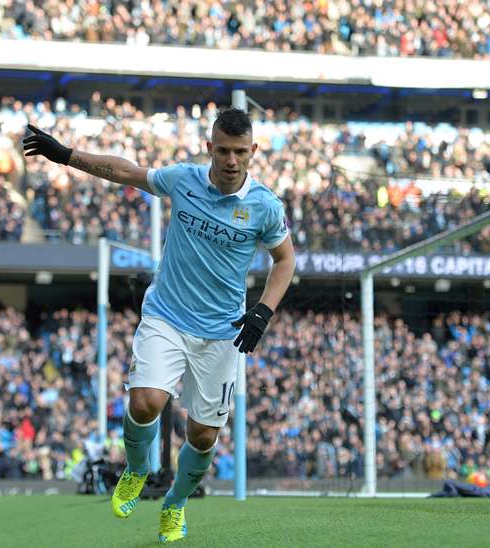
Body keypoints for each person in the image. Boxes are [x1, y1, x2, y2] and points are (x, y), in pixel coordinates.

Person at [23, 107, 295, 543]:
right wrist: (66, 155)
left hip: (222, 332)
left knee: (202, 436)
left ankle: (175, 503)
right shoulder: (183, 179)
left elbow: (285, 260)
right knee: (145, 402)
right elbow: (125, 172)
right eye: (223, 150)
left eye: (240, 152)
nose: (231, 160)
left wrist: (263, 311)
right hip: (166, 315)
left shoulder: (265, 206)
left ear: (253, 152)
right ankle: (136, 469)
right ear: (210, 147)